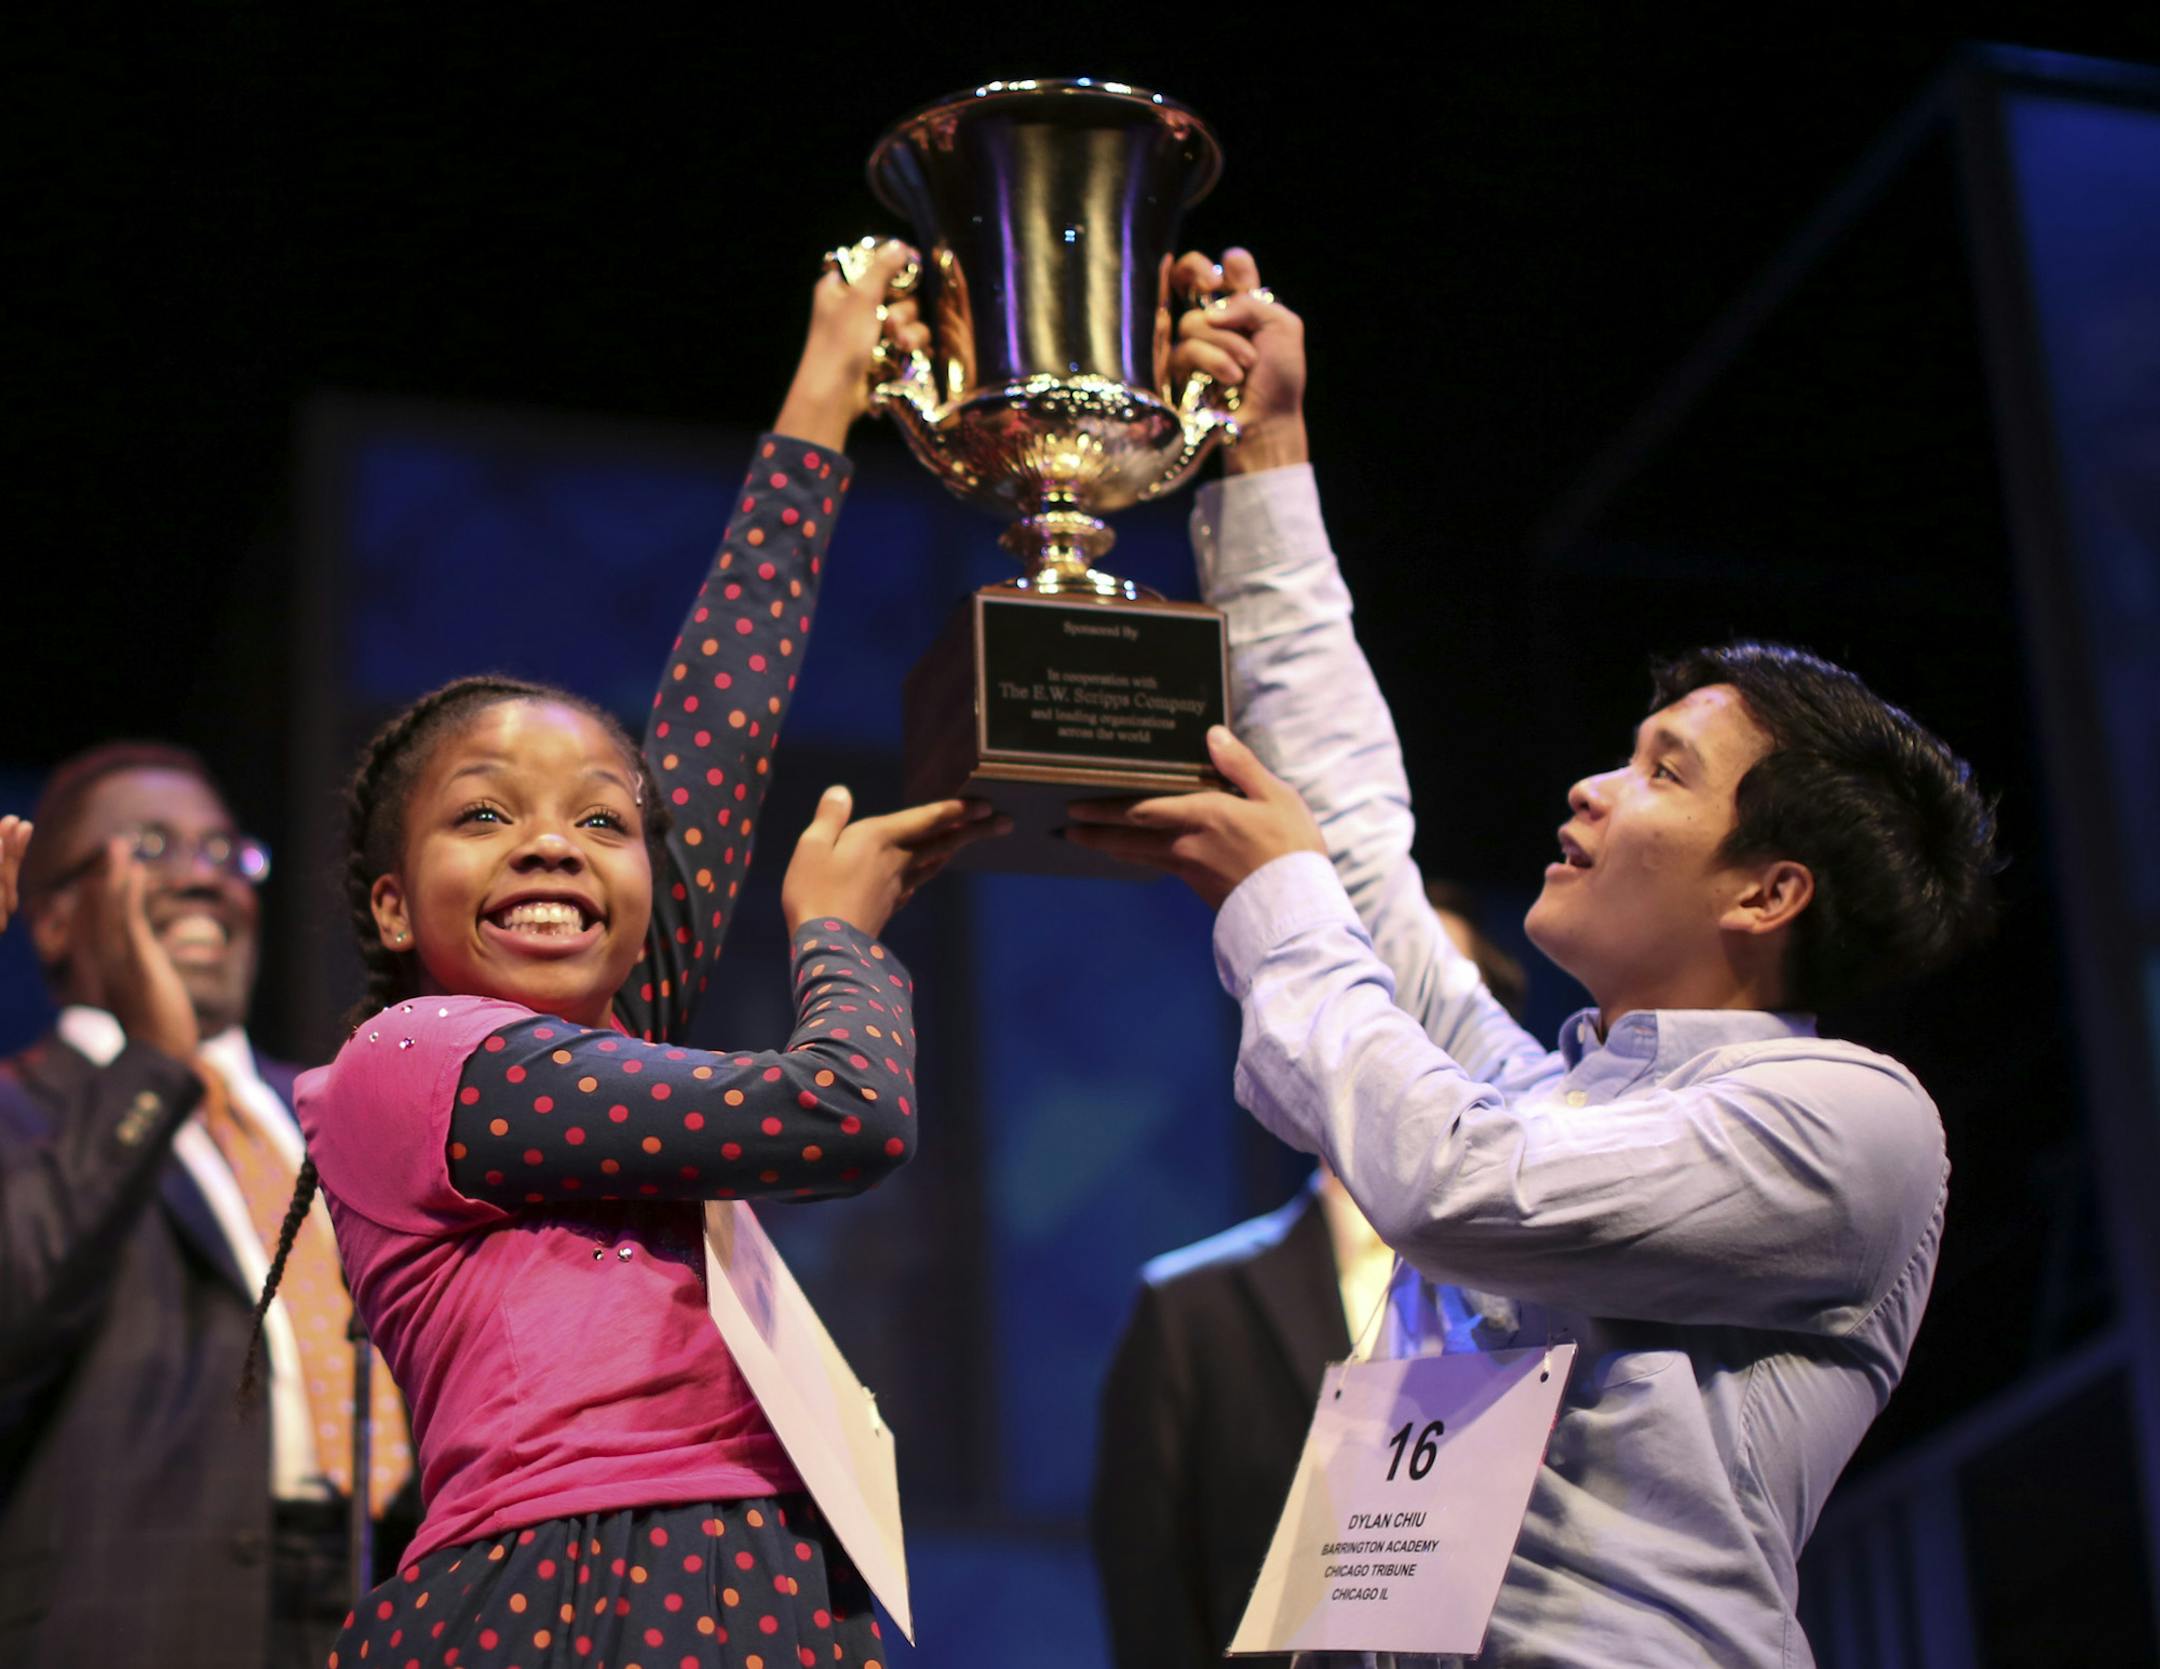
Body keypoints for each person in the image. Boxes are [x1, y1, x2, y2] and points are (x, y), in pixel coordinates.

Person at [1068, 249, 2000, 1667]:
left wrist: (1284, 900)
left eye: (1659, 772)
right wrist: (1265, 454)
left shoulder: (1852, 1120)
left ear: (1770, 891)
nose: (1590, 788)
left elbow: (1448, 1185)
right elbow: (1360, 844)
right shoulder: (1536, 1097)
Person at [280, 244, 1001, 1669]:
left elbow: (716, 738)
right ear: (386, 906)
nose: (553, 845)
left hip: (758, 1574)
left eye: (602, 823)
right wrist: (838, 940)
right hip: (575, 1591)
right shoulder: (414, 1062)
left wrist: (823, 397)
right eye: (483, 816)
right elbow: (843, 1108)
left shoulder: (597, 1054)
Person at [0, 752, 414, 1669]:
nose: (201, 874)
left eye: (226, 852)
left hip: (388, 1599)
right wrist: (153, 1062)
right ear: (58, 916)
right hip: (139, 1622)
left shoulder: (339, 1104)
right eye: (150, 847)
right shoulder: (19, 1113)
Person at [1091, 899, 1525, 1669]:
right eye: (1370, 993)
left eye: (1431, 1003)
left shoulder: (1554, 1291)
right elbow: (1151, 1597)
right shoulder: (1194, 1308)